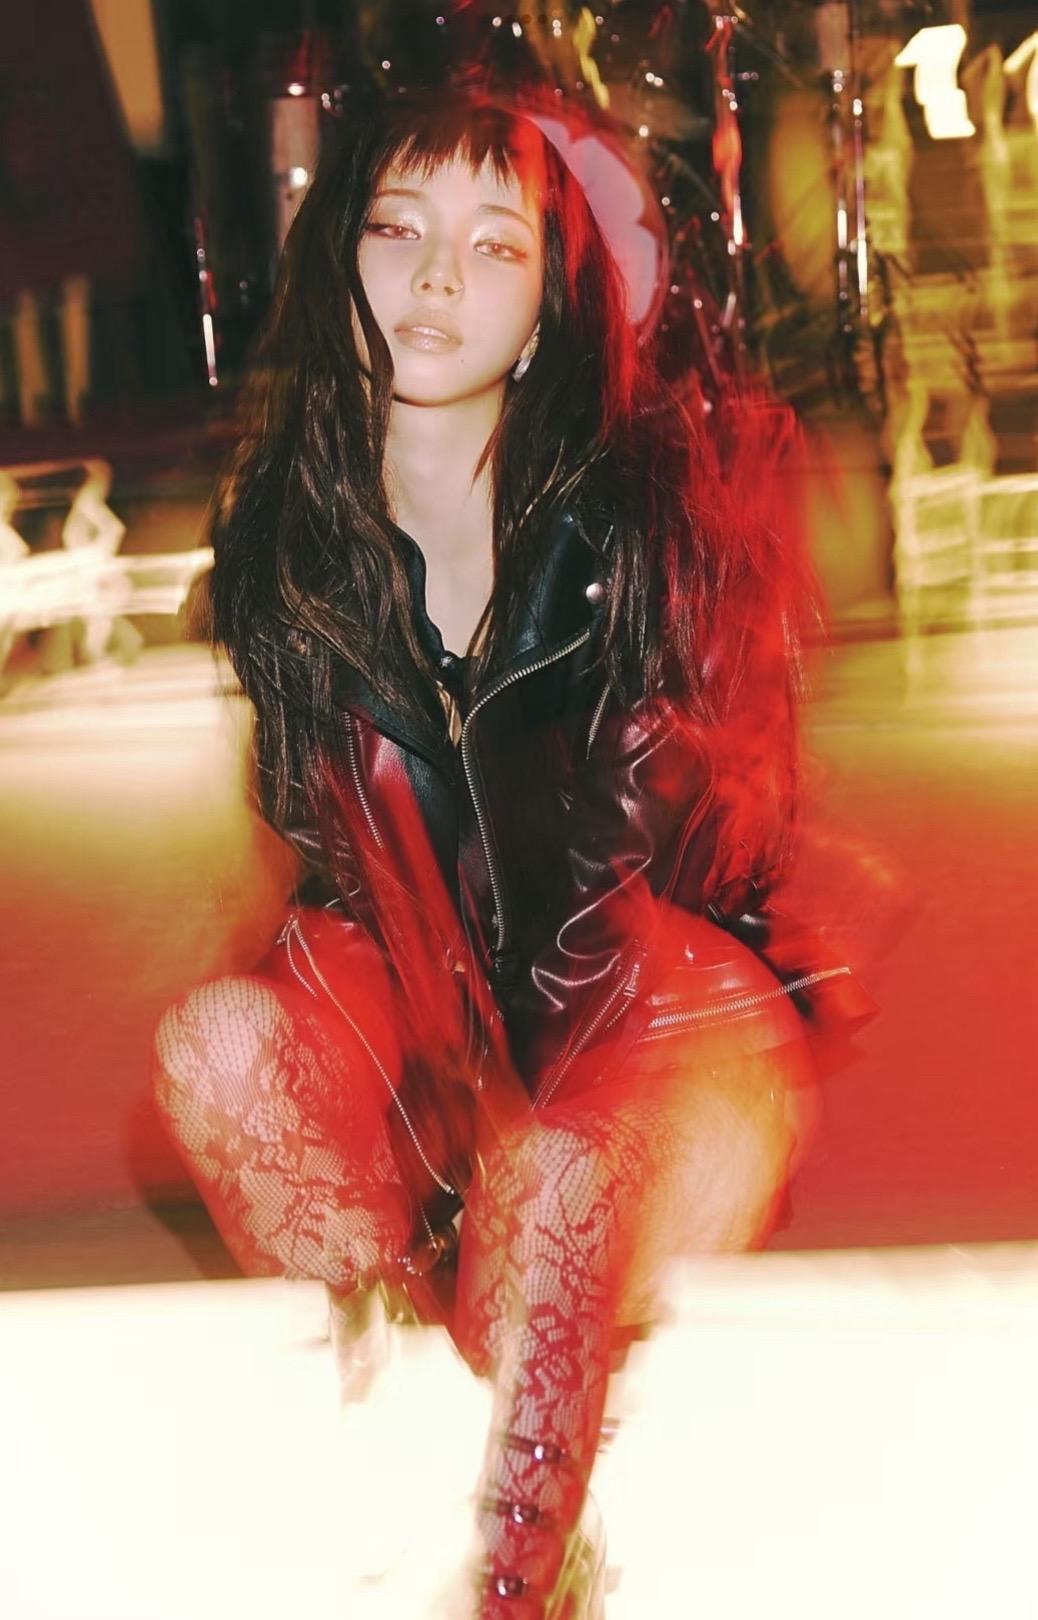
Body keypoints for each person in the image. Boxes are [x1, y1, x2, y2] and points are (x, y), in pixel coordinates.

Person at [153, 88, 870, 1620]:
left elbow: (654, 898)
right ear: (341, 258)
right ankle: (423, 1408)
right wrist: (410, 1136)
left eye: (493, 247)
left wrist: (511, 1195)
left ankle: (529, 1563)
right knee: (216, 1048)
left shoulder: (641, 528)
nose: (433, 277)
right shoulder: (284, 539)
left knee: (552, 1177)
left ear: (551, 306)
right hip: (436, 1037)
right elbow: (334, 880)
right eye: (396, 228)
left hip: (659, 1027)